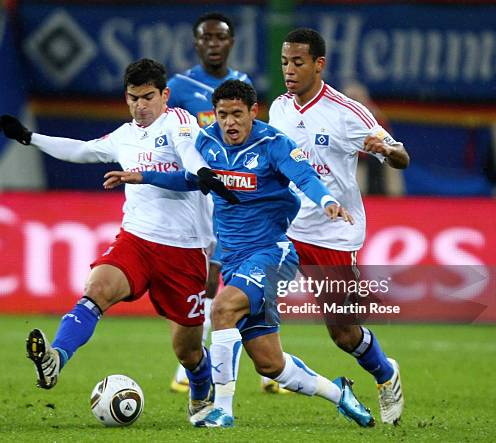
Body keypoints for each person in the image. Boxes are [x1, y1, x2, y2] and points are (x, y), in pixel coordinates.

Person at [105, 80, 375, 429]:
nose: (229, 123)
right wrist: (144, 176)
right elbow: (191, 179)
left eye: (236, 114)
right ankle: (340, 394)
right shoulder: (207, 141)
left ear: (253, 112)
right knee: (269, 363)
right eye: (222, 115)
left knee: (221, 307)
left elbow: (304, 176)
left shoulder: (273, 144)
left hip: (272, 254)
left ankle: (222, 409)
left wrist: (327, 202)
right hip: (233, 260)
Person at [0, 58, 238, 420]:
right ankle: (55, 359)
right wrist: (30, 138)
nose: (140, 106)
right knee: (97, 288)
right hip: (136, 240)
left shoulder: (179, 122)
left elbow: (187, 153)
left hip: (184, 250)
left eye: (148, 97)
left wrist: (202, 172)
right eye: (133, 98)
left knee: (187, 350)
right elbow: (80, 150)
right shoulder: (124, 136)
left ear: (165, 95)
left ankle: (201, 391)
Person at [269, 28, 410, 425]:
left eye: (298, 62)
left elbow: (402, 157)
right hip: (286, 230)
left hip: (333, 235)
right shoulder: (278, 108)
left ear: (319, 64)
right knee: (243, 302)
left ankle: (385, 373)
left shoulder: (347, 112)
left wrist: (388, 149)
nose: (289, 70)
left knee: (344, 334)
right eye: (284, 62)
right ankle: (219, 399)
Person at [166, 11, 256, 394]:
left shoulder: (243, 83)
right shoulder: (179, 86)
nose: (213, 44)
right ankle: (188, 366)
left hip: (233, 191)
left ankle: (266, 364)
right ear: (196, 43)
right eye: (207, 38)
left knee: (235, 277)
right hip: (196, 197)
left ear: (231, 42)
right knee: (203, 281)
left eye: (221, 38)